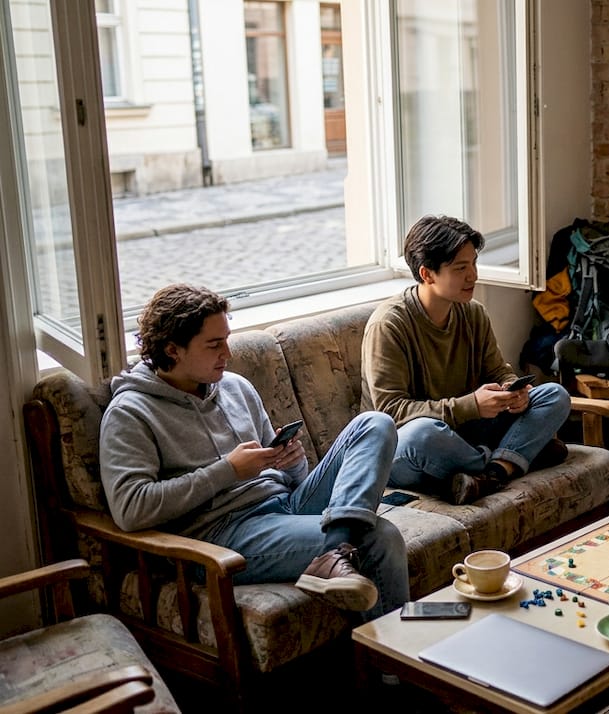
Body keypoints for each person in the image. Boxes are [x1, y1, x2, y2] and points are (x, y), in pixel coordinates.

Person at [100, 284, 408, 618]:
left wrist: (291, 465)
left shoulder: (235, 387)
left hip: (284, 505)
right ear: (173, 350)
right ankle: (392, 669)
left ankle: (336, 544)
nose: (227, 354)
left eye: (227, 339)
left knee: (374, 424)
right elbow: (130, 509)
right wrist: (227, 471)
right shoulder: (130, 412)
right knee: (380, 536)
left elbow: (286, 479)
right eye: (215, 344)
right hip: (223, 533)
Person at [362, 215, 571, 505]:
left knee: (553, 395)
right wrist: (470, 405)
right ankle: (516, 458)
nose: (473, 275)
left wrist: (515, 391)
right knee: (422, 434)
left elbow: (498, 370)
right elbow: (391, 413)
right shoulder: (389, 325)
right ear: (427, 274)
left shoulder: (473, 313)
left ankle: (491, 474)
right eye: (461, 268)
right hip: (405, 450)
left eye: (473, 263)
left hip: (465, 435)